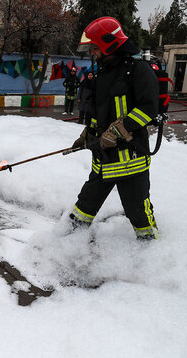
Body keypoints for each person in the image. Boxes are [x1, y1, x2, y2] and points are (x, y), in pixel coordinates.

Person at [69, 16, 160, 240]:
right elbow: (99, 111)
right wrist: (87, 133)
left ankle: (150, 248)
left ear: (108, 44)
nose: (92, 52)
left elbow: (148, 108)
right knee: (86, 202)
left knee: (137, 209)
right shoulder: (103, 73)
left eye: (94, 47)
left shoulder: (139, 70)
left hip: (130, 158)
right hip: (103, 155)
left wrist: (117, 130)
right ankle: (69, 241)